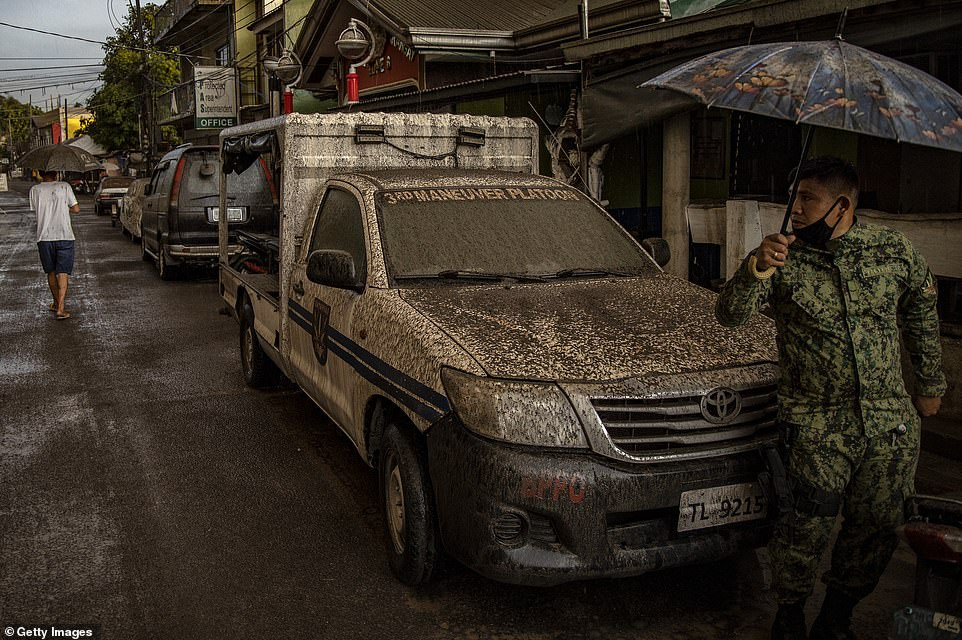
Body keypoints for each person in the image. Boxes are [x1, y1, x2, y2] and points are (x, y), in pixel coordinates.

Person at [715, 156, 945, 640]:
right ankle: (789, 615)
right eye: (794, 198)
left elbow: (921, 310)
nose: (795, 208)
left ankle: (837, 617)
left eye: (807, 199)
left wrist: (929, 384)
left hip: (888, 427)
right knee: (803, 528)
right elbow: (729, 315)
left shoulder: (892, 250)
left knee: (875, 528)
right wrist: (757, 267)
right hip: (816, 427)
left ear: (841, 206)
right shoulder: (783, 257)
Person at [29, 169, 81, 320]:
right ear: (56, 173)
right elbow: (76, 209)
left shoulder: (35, 190)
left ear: (40, 173)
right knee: (63, 272)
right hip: (65, 235)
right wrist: (64, 208)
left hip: (44, 237)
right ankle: (61, 308)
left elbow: (36, 209)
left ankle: (56, 303)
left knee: (51, 272)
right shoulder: (64, 186)